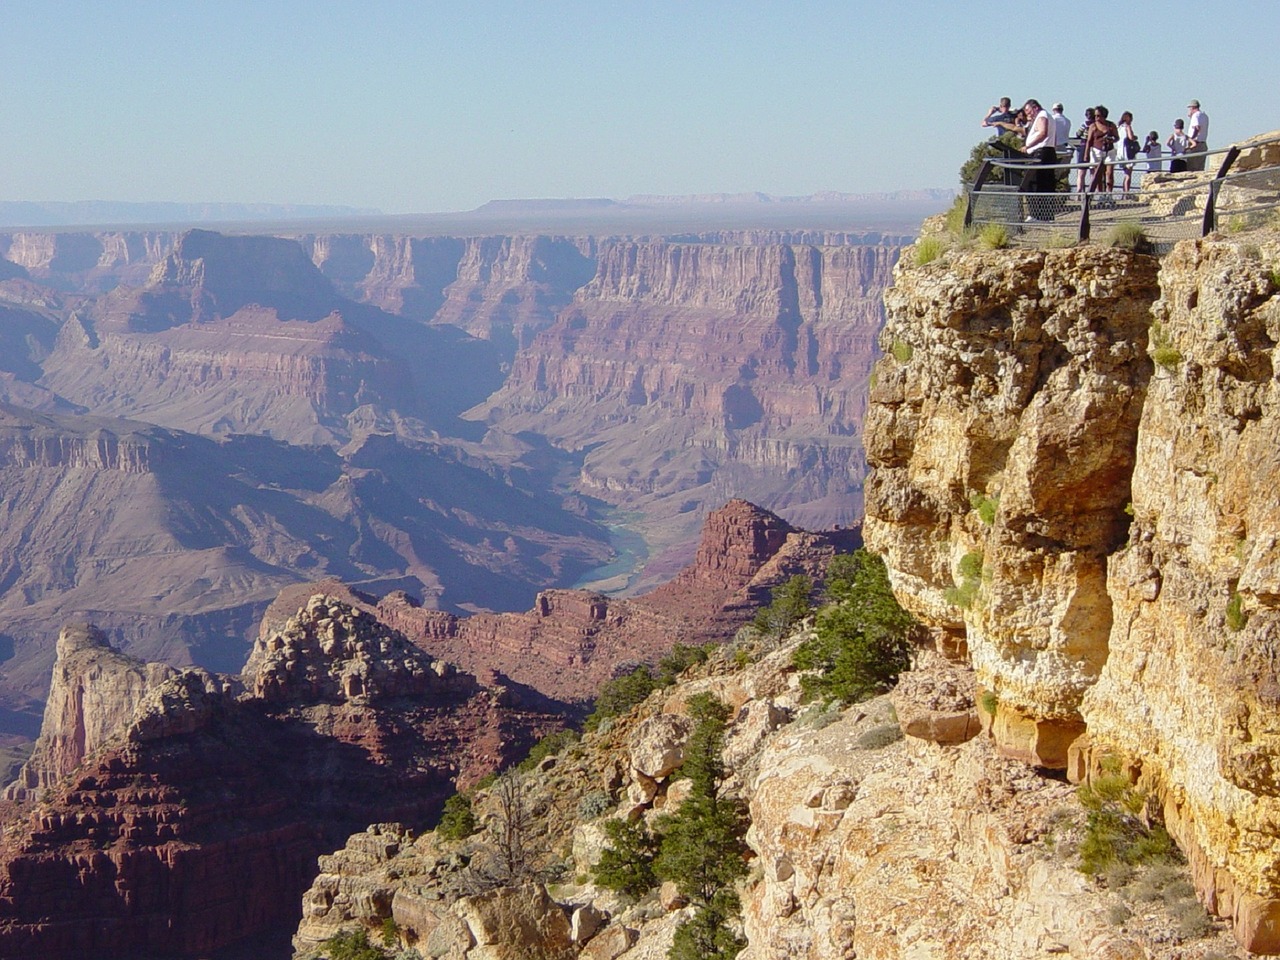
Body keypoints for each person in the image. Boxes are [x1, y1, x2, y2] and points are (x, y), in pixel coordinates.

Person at [1018, 98, 1062, 220]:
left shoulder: (1042, 116)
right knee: (1045, 184)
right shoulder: (1048, 116)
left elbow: (1043, 133)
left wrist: (1028, 146)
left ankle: (1037, 215)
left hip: (1040, 153)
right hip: (1047, 151)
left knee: (1035, 184)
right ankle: (1046, 216)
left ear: (1035, 108)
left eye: (1029, 112)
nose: (1029, 115)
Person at [1083, 105, 1119, 194]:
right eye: (1095, 116)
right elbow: (1089, 141)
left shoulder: (1111, 125)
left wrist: (1111, 140)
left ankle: (1109, 193)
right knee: (1098, 174)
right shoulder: (1093, 126)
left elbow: (1117, 137)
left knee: (1109, 173)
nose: (1096, 118)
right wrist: (1086, 154)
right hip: (1096, 151)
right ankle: (1101, 193)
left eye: (1098, 116)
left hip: (1109, 151)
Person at [1115, 111, 1139, 193]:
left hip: (1120, 152)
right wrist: (1135, 137)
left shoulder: (1118, 127)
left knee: (1125, 173)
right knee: (1128, 174)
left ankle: (1124, 191)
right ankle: (1126, 192)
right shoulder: (1127, 127)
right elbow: (1131, 137)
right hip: (1128, 152)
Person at [1073, 107, 1096, 192]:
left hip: (1083, 146)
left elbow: (1078, 133)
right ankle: (1091, 191)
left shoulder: (1085, 124)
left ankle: (1079, 192)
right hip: (1093, 147)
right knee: (1093, 171)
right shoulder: (1096, 124)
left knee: (1081, 172)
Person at [1185, 99, 1210, 172]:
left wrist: (1192, 139)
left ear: (1192, 107)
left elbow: (1197, 127)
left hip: (1195, 144)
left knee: (1191, 167)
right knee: (1200, 168)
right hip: (1203, 143)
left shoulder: (1195, 115)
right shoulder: (1204, 115)